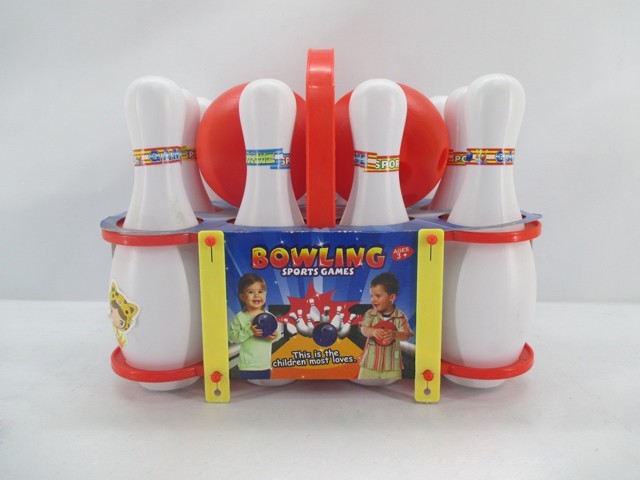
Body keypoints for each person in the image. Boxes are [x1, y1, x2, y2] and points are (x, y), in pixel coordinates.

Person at [358, 272, 413, 381]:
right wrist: (372, 331)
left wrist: (394, 334)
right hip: (370, 364)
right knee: (364, 386)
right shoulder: (370, 314)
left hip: (391, 366)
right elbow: (364, 329)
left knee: (394, 386)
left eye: (378, 296)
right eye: (371, 296)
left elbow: (406, 335)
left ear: (392, 297)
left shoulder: (400, 316)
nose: (373, 299)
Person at [229, 273, 280, 380]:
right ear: (242, 296)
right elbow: (233, 338)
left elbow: (277, 334)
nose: (256, 295)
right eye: (251, 292)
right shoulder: (239, 318)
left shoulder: (270, 316)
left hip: (265, 365)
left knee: (263, 388)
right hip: (247, 366)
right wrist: (249, 331)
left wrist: (274, 336)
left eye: (260, 292)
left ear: (265, 294)